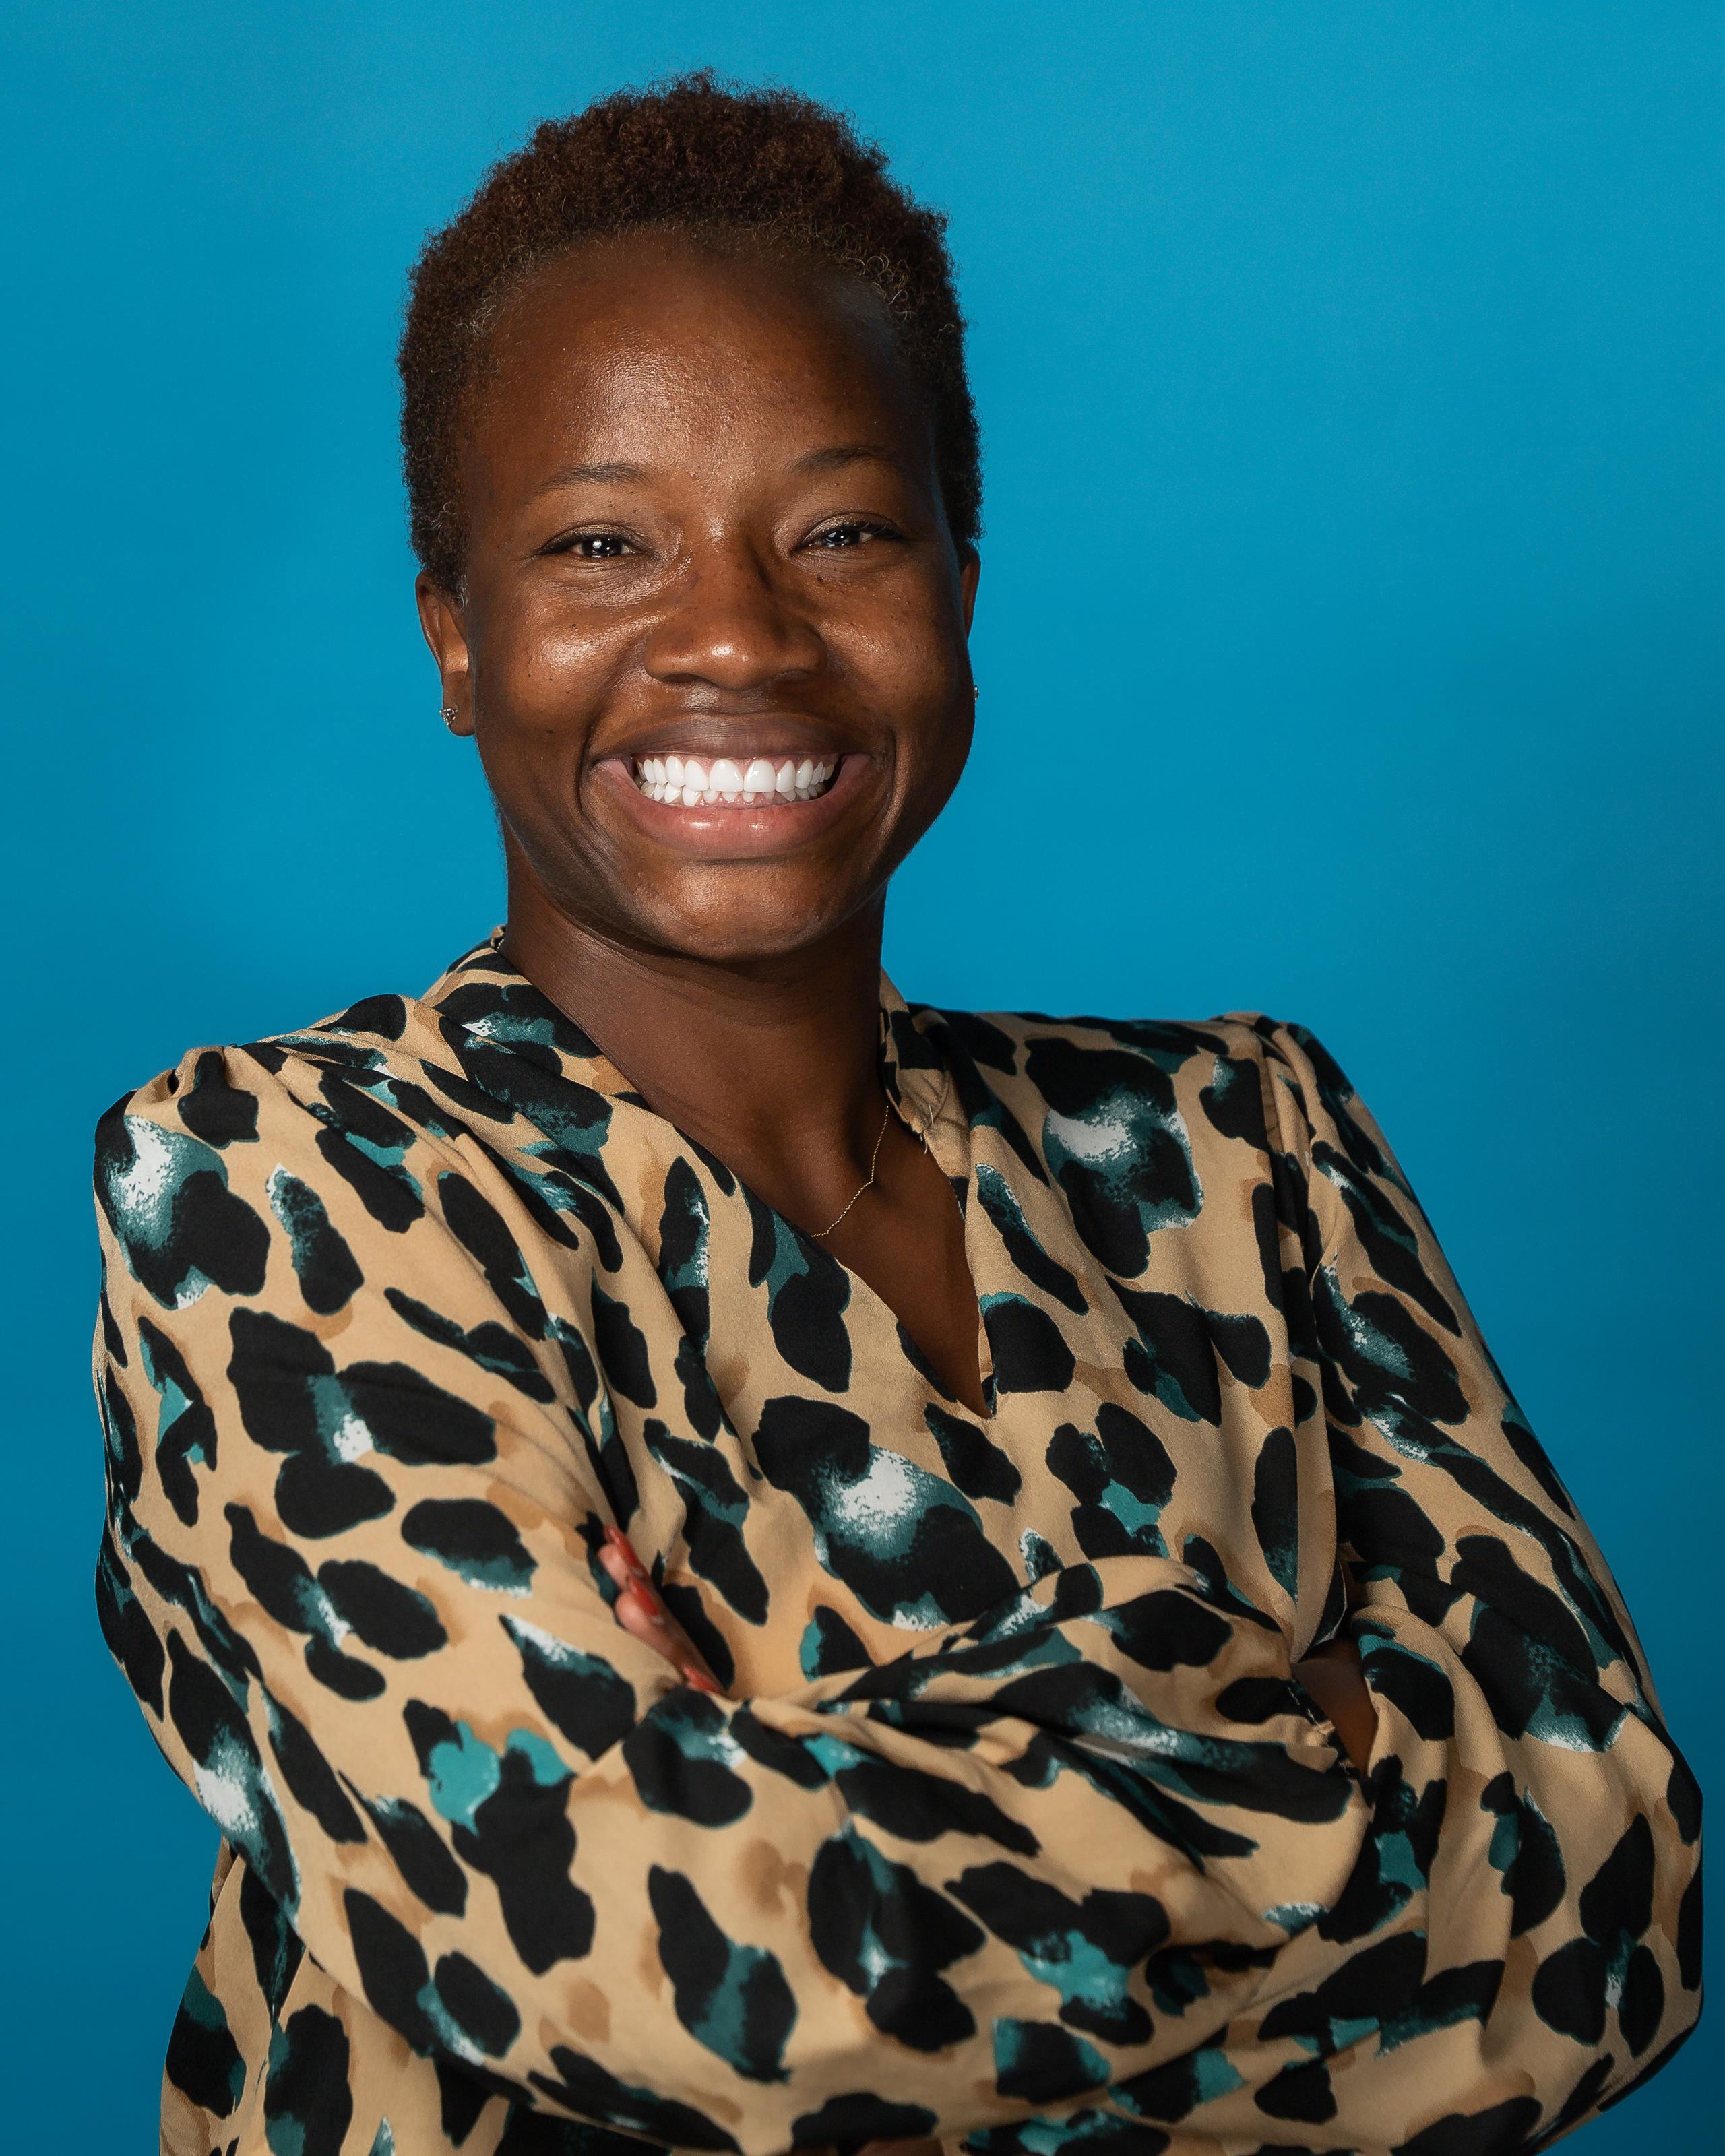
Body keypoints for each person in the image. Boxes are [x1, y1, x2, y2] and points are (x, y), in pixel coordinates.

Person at [93, 74, 1699, 2156]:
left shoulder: (1241, 1144)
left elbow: (1619, 1897)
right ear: (457, 642)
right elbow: (654, 1975)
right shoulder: (289, 1183)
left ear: (960, 580)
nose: (740, 635)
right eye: (601, 544)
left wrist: (818, 1772)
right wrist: (1261, 1705)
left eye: (843, 531)